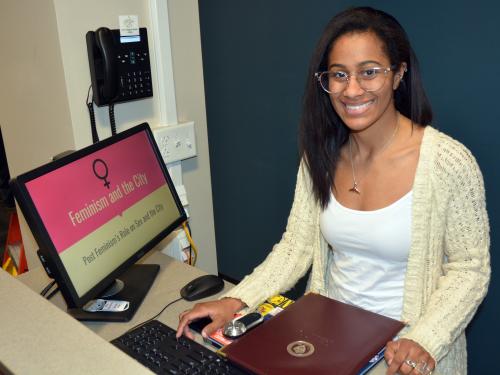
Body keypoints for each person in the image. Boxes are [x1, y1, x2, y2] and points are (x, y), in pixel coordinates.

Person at [177, 7, 490, 375]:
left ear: (399, 74)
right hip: (326, 345)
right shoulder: (320, 157)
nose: (352, 89)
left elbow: (470, 269)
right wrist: (236, 298)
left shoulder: (448, 162)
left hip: (404, 353)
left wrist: (425, 338)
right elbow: (296, 245)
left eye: (369, 72)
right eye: (339, 75)